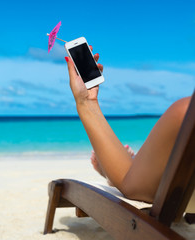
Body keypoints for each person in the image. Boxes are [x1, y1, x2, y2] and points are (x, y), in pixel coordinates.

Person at [64, 49, 191, 203]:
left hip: (173, 191)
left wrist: (86, 102)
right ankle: (130, 165)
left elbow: (133, 189)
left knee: (184, 114)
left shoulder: (183, 113)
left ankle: (120, 170)